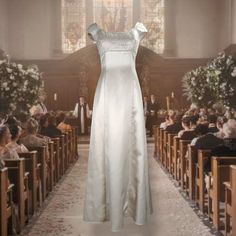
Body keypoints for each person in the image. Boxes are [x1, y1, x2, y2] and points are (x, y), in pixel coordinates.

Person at [84, 22, 153, 232]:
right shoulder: (96, 32)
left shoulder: (137, 33)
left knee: (132, 151)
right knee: (108, 148)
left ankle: (132, 207)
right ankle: (109, 210)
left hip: (129, 96)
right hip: (108, 97)